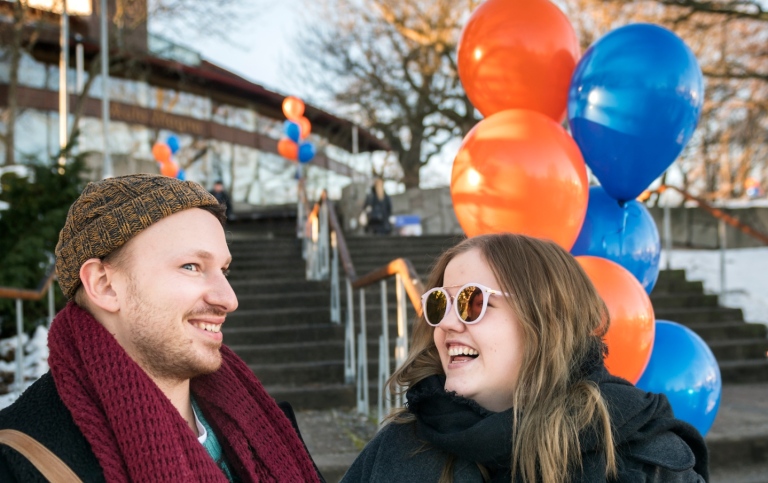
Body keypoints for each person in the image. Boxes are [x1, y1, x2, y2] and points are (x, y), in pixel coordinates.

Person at [0, 174, 324, 482]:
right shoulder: (21, 458)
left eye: (224, 271)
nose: (229, 299)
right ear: (104, 285)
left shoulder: (263, 424)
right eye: (191, 266)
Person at [342, 233, 709, 483]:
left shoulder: (643, 457)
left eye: (472, 301)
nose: (447, 324)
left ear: (545, 318)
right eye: (439, 303)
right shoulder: (404, 441)